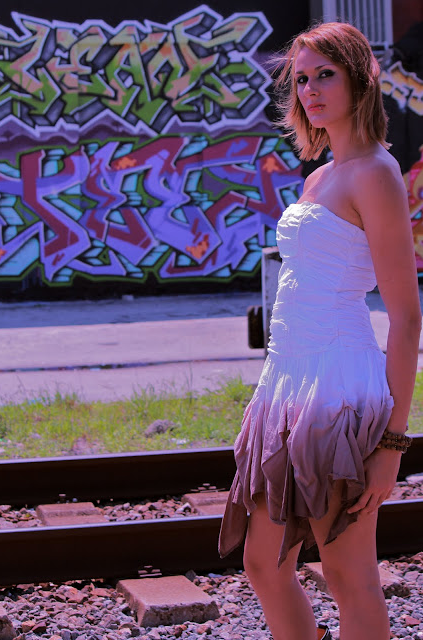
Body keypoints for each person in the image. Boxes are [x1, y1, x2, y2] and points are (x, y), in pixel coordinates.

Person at [218, 21, 421, 640]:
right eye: (301, 79)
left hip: (341, 389)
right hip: (288, 382)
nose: (309, 90)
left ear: (361, 79)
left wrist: (392, 446)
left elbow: (407, 315)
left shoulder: (377, 173)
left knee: (346, 574)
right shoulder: (320, 175)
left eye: (324, 75)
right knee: (263, 563)